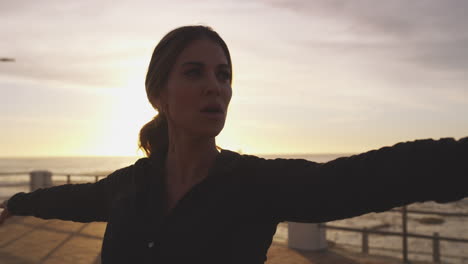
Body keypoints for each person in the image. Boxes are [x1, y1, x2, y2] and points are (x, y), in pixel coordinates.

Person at [0, 25, 467, 264]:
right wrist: (16, 202)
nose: (215, 87)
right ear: (158, 94)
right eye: (195, 72)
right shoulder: (129, 185)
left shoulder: (254, 183)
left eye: (223, 75)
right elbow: (70, 199)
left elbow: (364, 178)